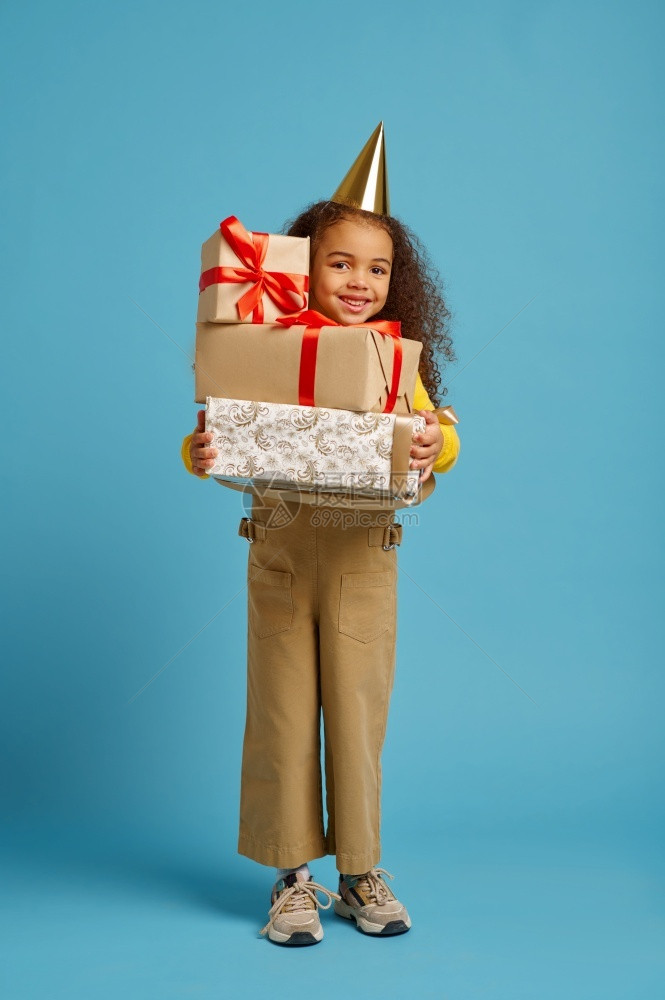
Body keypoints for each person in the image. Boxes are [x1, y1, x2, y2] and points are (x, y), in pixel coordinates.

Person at [180, 127, 461, 946]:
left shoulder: (391, 357)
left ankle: (359, 871)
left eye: (377, 268)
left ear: (395, 280)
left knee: (357, 714)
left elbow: (441, 434)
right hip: (278, 550)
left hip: (361, 556)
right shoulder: (267, 345)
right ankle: (292, 875)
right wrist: (199, 454)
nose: (359, 281)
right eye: (339, 262)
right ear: (304, 264)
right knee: (281, 711)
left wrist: (429, 441)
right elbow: (220, 428)